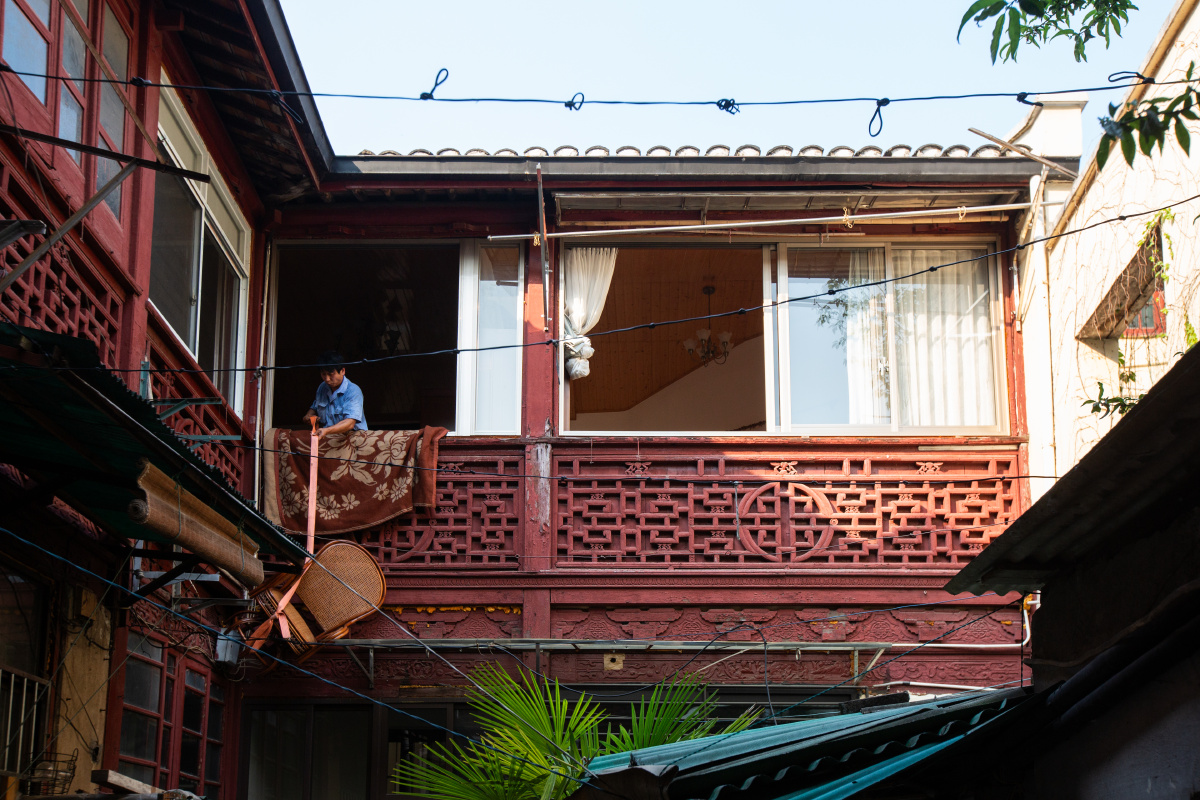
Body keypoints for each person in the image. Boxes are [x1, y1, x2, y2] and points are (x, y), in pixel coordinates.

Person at [303, 351, 367, 439]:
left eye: (331, 374)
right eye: (323, 374)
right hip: (329, 438)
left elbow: (350, 423)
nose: (327, 379)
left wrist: (326, 430)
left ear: (343, 371)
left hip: (353, 439)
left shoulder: (353, 391)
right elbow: (315, 406)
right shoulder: (322, 387)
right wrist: (308, 416)